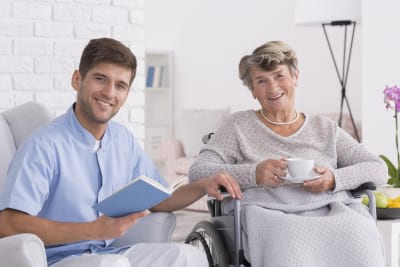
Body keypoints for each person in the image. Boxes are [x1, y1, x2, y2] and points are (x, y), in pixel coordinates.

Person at [0, 37, 241, 267]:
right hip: (59, 258)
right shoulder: (44, 145)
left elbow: (159, 199)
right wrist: (93, 230)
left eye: (120, 85)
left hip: (111, 253)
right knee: (112, 264)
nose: (109, 92)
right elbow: (8, 224)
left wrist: (202, 186)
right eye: (100, 79)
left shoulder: (123, 139)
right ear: (77, 79)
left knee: (187, 256)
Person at [188, 40, 387, 267]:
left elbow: (377, 168)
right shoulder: (238, 125)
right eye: (261, 81)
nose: (272, 88)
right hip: (269, 213)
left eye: (279, 76)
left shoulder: (325, 128)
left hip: (330, 208)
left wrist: (334, 179)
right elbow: (198, 172)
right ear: (253, 90)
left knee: (360, 233)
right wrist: (254, 173)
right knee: (289, 239)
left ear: (295, 76)